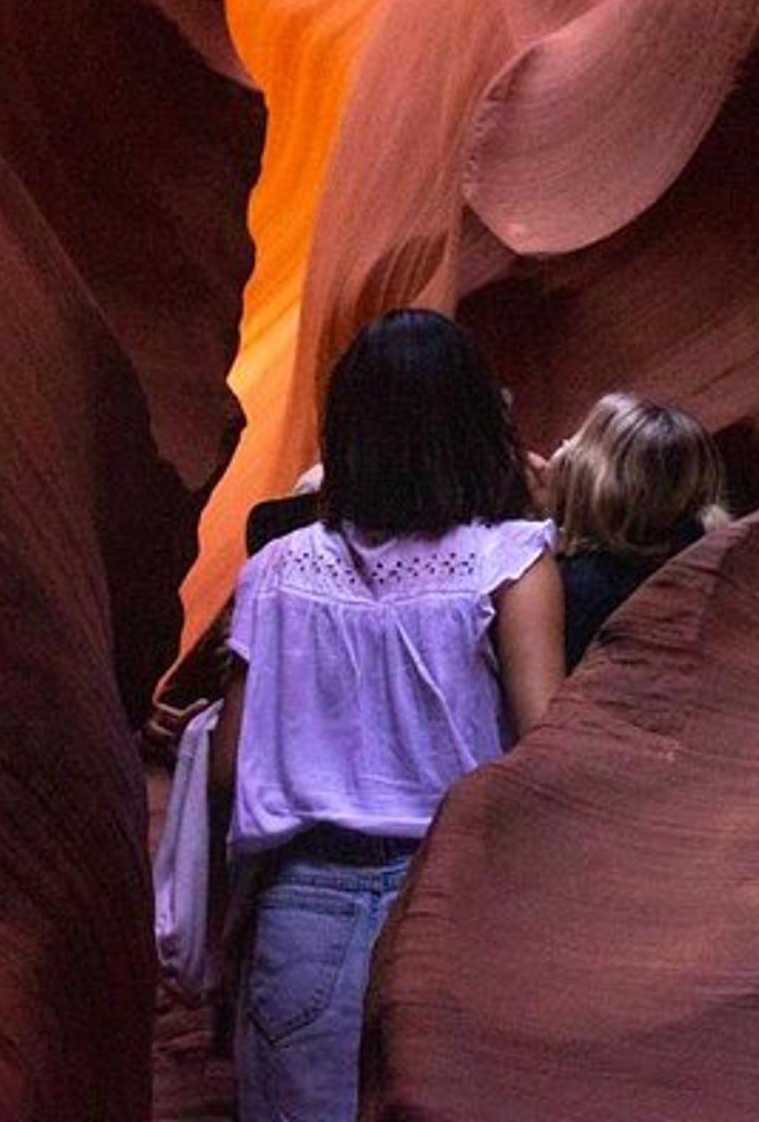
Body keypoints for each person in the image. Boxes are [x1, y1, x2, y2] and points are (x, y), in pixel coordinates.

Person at [209, 308, 565, 1121]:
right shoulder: (508, 563)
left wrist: (228, 928)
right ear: (473, 420)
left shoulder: (274, 572)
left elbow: (230, 767)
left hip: (302, 906)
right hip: (455, 899)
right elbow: (544, 754)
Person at [538, 392, 727, 669]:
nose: (564, 446)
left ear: (597, 479)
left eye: (576, 440)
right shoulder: (703, 556)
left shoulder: (582, 587)